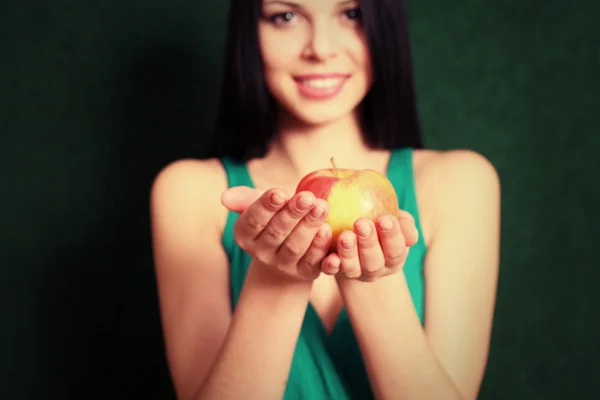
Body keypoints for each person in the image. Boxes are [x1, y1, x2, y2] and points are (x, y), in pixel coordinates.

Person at [149, 0, 501, 399]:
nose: (320, 47)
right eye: (286, 17)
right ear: (250, 32)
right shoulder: (189, 191)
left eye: (351, 14)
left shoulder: (458, 181)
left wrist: (373, 276)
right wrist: (278, 274)